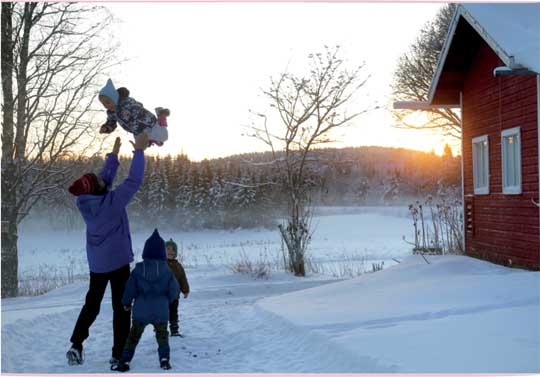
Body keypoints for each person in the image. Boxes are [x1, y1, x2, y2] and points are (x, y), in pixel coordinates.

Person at [66, 133, 149, 366]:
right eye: (99, 182)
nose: (103, 181)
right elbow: (133, 181)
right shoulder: (110, 205)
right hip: (118, 262)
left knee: (91, 305)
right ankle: (118, 354)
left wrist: (113, 155)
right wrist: (140, 152)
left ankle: (76, 345)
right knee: (121, 308)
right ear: (96, 190)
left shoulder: (86, 201)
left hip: (97, 265)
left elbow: (104, 179)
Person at [111, 229, 180, 372]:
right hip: (160, 310)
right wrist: (167, 300)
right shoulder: (167, 270)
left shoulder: (138, 269)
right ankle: (164, 359)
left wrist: (126, 303)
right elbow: (174, 289)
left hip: (141, 311)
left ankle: (125, 360)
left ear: (146, 251)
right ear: (162, 252)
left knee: (133, 336)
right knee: (162, 336)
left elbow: (130, 288)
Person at [98, 78, 169, 147]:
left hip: (145, 124)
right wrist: (106, 128)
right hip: (136, 131)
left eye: (108, 102)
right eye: (104, 104)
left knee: (164, 136)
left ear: (114, 98)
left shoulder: (126, 104)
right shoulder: (111, 113)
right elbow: (111, 122)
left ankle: (161, 115)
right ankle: (151, 140)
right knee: (141, 146)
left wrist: (152, 122)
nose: (106, 106)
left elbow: (141, 112)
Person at [165, 238, 190, 337]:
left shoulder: (178, 266)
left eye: (173, 250)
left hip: (174, 296)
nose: (171, 251)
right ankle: (160, 330)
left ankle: (174, 330)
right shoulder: (160, 264)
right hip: (162, 295)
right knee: (161, 313)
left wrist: (185, 290)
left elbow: (182, 279)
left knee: (173, 313)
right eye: (168, 249)